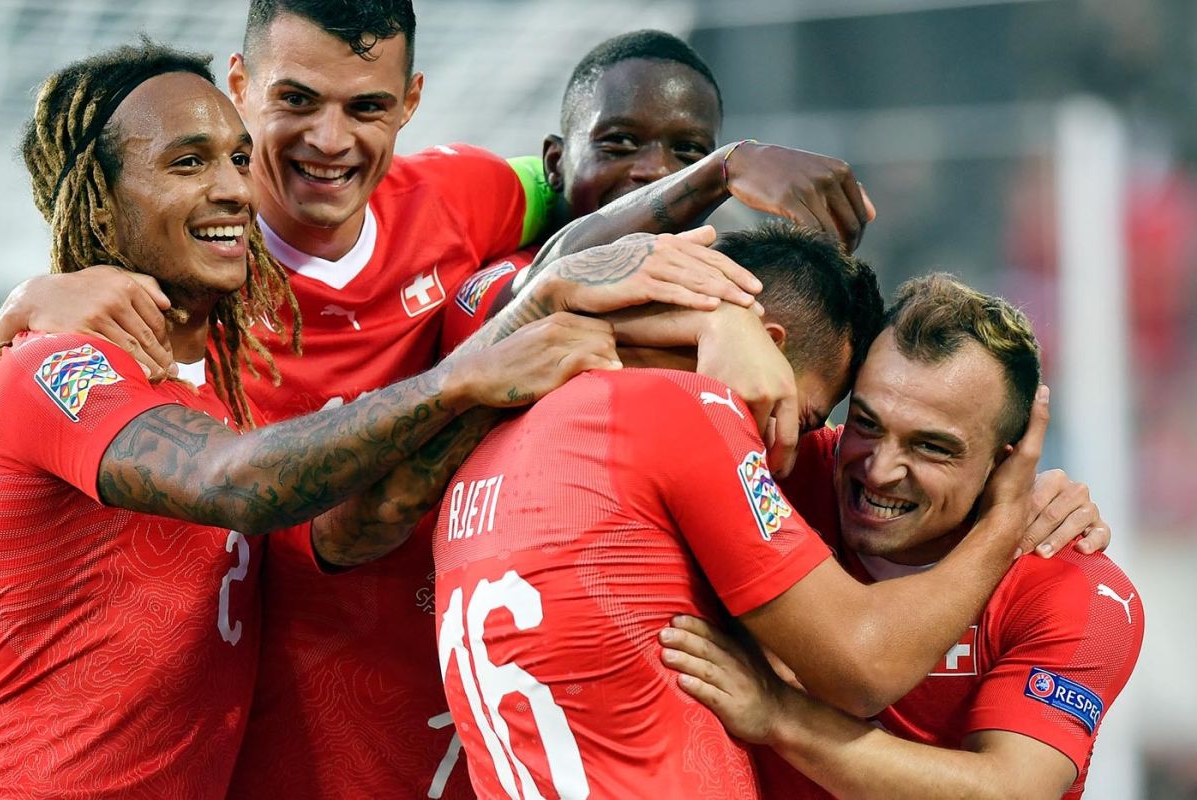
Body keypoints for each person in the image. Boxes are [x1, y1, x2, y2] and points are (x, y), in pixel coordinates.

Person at [0, 8, 871, 796]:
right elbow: (231, 478)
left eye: (231, 158)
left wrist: (724, 249)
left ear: (409, 103)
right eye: (190, 163)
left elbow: (583, 204)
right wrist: (21, 306)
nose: (238, 185)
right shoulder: (63, 362)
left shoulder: (235, 353)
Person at [432, 223, 1068, 797]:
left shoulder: (484, 449)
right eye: (813, 418)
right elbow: (862, 666)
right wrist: (1005, 514)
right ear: (765, 343)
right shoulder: (689, 415)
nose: (786, 454)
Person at [659, 275, 1143, 800]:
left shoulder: (1079, 591)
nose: (880, 469)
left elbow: (1010, 791)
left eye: (931, 447)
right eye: (866, 424)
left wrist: (780, 714)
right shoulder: (784, 469)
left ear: (1002, 466)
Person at [442, 28, 874, 355]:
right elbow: (531, 302)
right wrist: (720, 169)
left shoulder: (728, 299)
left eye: (687, 152)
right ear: (556, 163)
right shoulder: (493, 279)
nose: (657, 172)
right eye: (620, 142)